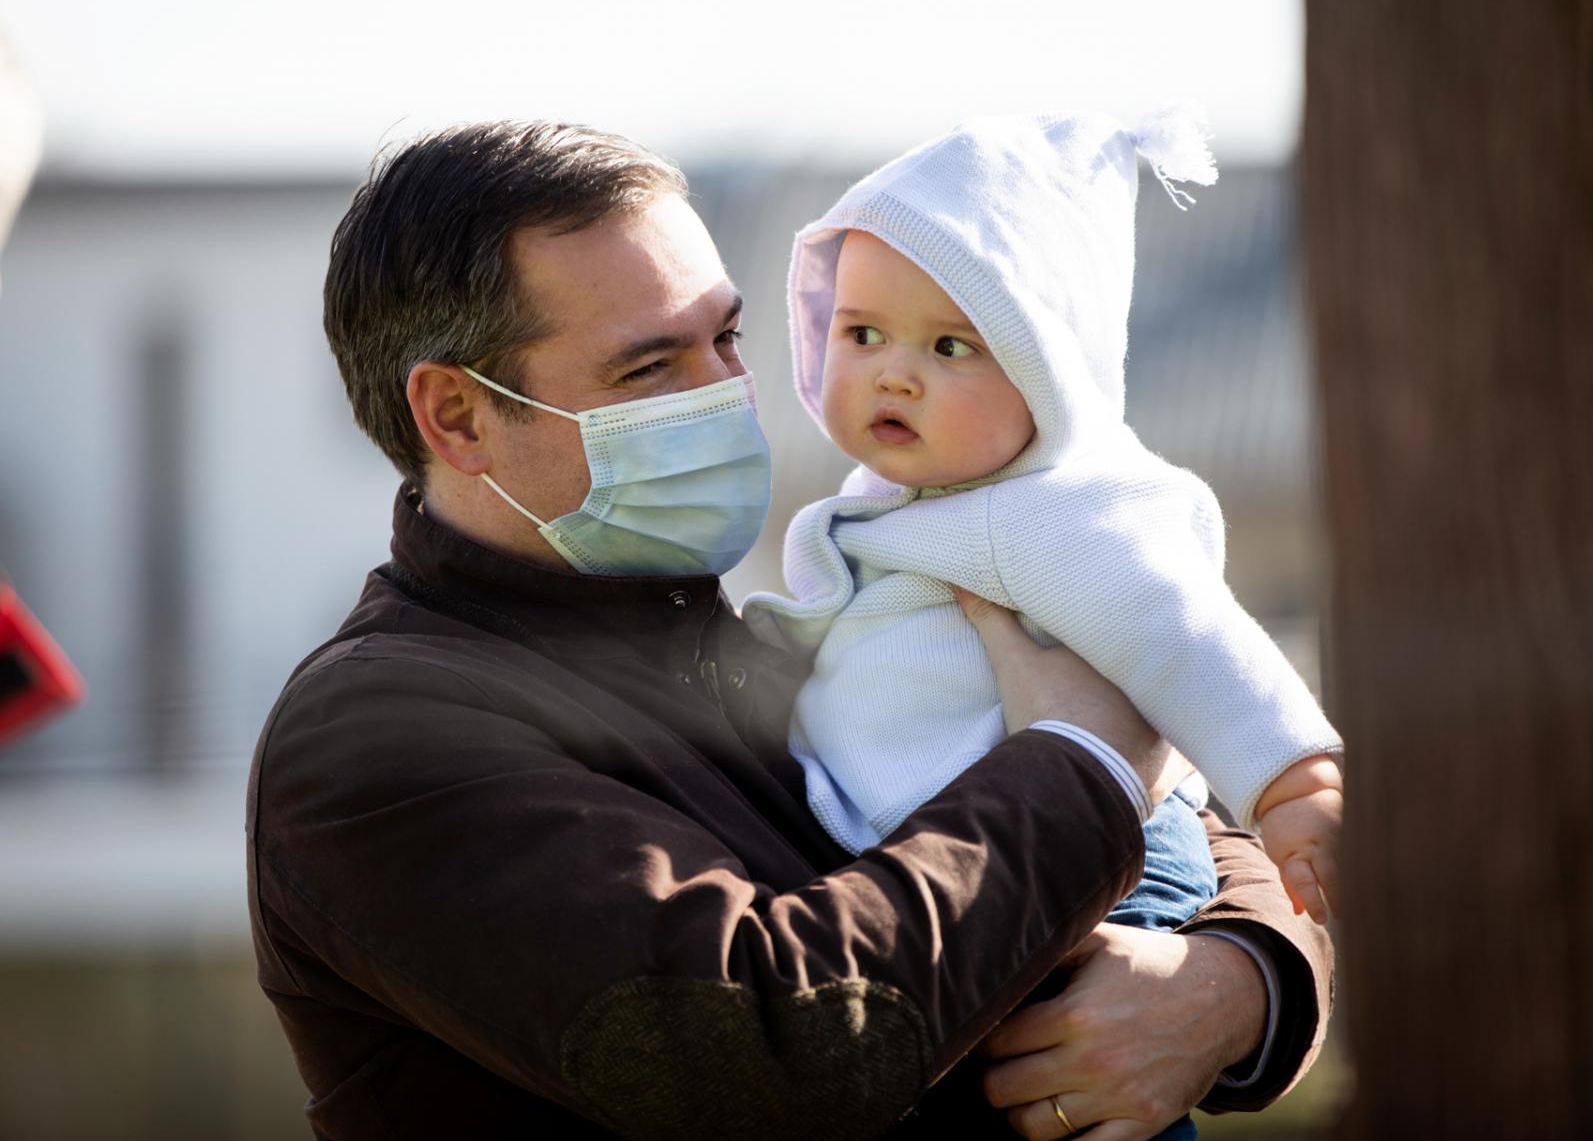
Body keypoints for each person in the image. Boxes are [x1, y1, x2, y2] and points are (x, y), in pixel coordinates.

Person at [247, 120, 1333, 1140]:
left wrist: (1236, 978)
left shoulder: (755, 641)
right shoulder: (374, 737)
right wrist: (1084, 764)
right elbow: (767, 1049)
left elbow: (1175, 787)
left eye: (725, 339)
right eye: (650, 368)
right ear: (457, 415)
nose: (726, 394)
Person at [742, 111, 1344, 938]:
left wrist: (1290, 783)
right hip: (978, 846)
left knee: (1074, 1039)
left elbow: (1181, 631)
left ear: (1050, 373)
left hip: (1101, 865)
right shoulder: (900, 496)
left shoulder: (1052, 510)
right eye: (862, 334)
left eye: (950, 348)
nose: (894, 375)